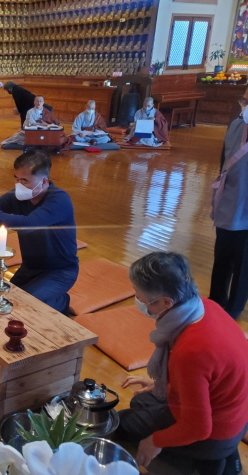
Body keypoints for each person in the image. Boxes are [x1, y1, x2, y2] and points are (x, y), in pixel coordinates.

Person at [118, 252, 248, 474]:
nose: (137, 298)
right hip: (235, 415)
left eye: (139, 295)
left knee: (122, 425)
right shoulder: (205, 306)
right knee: (141, 401)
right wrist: (165, 384)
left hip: (215, 433)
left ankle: (204, 461)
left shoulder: (191, 352)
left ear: (165, 302)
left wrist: (154, 441)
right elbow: (214, 379)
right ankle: (217, 459)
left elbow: (198, 427)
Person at [0, 150, 78, 314]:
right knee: (3, 300)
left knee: (23, 308)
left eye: (25, 180)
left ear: (44, 181)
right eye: (16, 178)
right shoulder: (17, 196)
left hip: (59, 272)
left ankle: (61, 301)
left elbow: (28, 224)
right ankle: (48, 298)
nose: (19, 184)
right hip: (29, 267)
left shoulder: (59, 199)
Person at [209, 86, 248, 320]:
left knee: (243, 262)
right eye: (244, 100)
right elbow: (224, 161)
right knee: (222, 255)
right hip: (230, 198)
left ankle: (234, 307)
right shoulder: (236, 125)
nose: (245, 106)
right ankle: (216, 300)